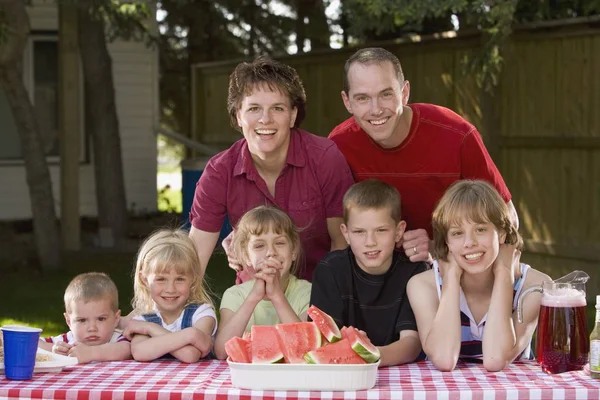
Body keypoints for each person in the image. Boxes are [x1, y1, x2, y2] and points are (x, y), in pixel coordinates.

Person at [329, 47, 517, 263]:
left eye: (386, 94)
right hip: (372, 275)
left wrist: (438, 249)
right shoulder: (338, 145)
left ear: (405, 92)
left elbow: (507, 221)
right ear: (347, 101)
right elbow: (336, 232)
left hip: (451, 270)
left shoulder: (456, 135)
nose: (376, 109)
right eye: (362, 98)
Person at [189, 56, 354, 283]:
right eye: (254, 108)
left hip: (319, 291)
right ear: (238, 115)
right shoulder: (220, 172)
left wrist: (325, 304)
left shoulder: (324, 158)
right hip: (255, 298)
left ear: (293, 115)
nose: (265, 119)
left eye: (277, 108)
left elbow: (341, 242)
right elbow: (194, 259)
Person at [406, 180, 550, 372]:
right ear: (447, 242)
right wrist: (451, 279)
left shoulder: (534, 286)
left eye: (480, 230)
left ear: (501, 233)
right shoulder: (423, 286)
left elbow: (495, 359)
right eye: (457, 233)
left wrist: (504, 274)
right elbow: (444, 359)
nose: (469, 243)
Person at [310, 180, 428, 367]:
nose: (370, 242)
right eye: (359, 232)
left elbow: (411, 343)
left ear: (399, 231)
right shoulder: (330, 269)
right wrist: (353, 352)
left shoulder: (414, 271)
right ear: (346, 233)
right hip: (344, 373)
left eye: (381, 230)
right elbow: (322, 340)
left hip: (400, 375)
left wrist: (368, 355)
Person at [214, 206, 310, 360]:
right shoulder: (235, 295)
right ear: (245, 256)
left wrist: (277, 296)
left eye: (279, 243)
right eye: (259, 246)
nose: (271, 252)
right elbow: (221, 351)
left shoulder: (306, 291)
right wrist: (254, 297)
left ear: (293, 251)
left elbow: (305, 350)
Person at [123, 229, 217, 363]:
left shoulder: (202, 314)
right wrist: (190, 335)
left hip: (196, 383)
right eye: (161, 279)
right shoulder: (143, 320)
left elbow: (191, 355)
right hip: (156, 383)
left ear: (193, 279)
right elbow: (139, 352)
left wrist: (151, 329)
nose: (170, 289)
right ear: (144, 279)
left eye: (180, 279)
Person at [38, 272, 131, 363]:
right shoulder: (67, 340)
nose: (92, 328)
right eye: (82, 320)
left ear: (116, 319)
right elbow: (33, 344)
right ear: (69, 321)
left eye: (101, 319)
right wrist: (54, 349)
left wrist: (90, 353)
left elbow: (127, 349)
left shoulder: (116, 339)